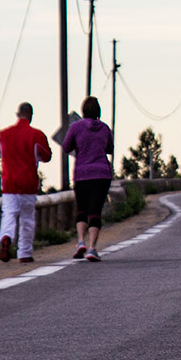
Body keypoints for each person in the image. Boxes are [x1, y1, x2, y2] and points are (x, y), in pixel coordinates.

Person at [0, 102, 52, 263]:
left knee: (9, 213)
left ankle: (6, 237)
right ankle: (25, 253)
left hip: (9, 183)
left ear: (17, 114)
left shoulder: (4, 134)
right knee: (27, 218)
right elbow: (47, 156)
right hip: (28, 182)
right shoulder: (37, 135)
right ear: (31, 115)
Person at [63, 96, 114, 262]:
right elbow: (109, 148)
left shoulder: (76, 127)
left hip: (82, 174)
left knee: (82, 210)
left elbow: (66, 147)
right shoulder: (105, 128)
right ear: (98, 111)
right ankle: (92, 248)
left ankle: (80, 242)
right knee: (95, 211)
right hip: (101, 174)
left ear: (83, 111)